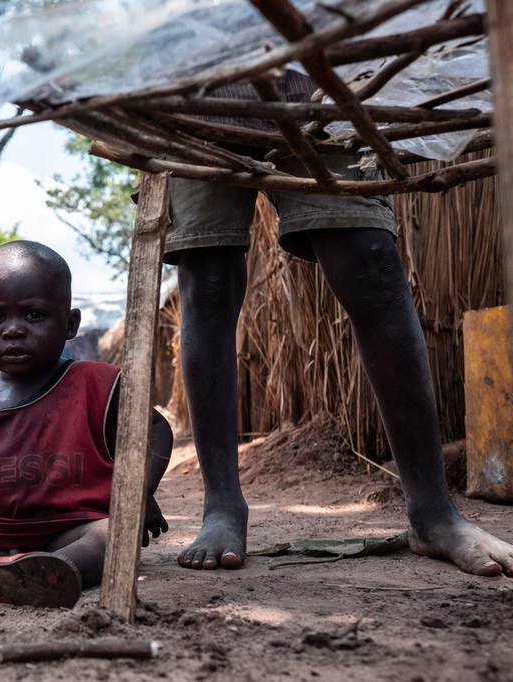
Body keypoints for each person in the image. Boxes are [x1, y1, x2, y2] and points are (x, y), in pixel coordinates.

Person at [167, 77, 513, 576]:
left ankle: (433, 511)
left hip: (319, 83)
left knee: (370, 263)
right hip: (195, 90)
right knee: (208, 283)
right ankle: (221, 505)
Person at [0, 240, 173, 608]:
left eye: (34, 315)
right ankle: (12, 566)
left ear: (70, 324)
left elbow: (156, 429)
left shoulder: (95, 382)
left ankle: (56, 571)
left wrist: (138, 494)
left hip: (72, 531)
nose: (13, 329)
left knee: (115, 535)